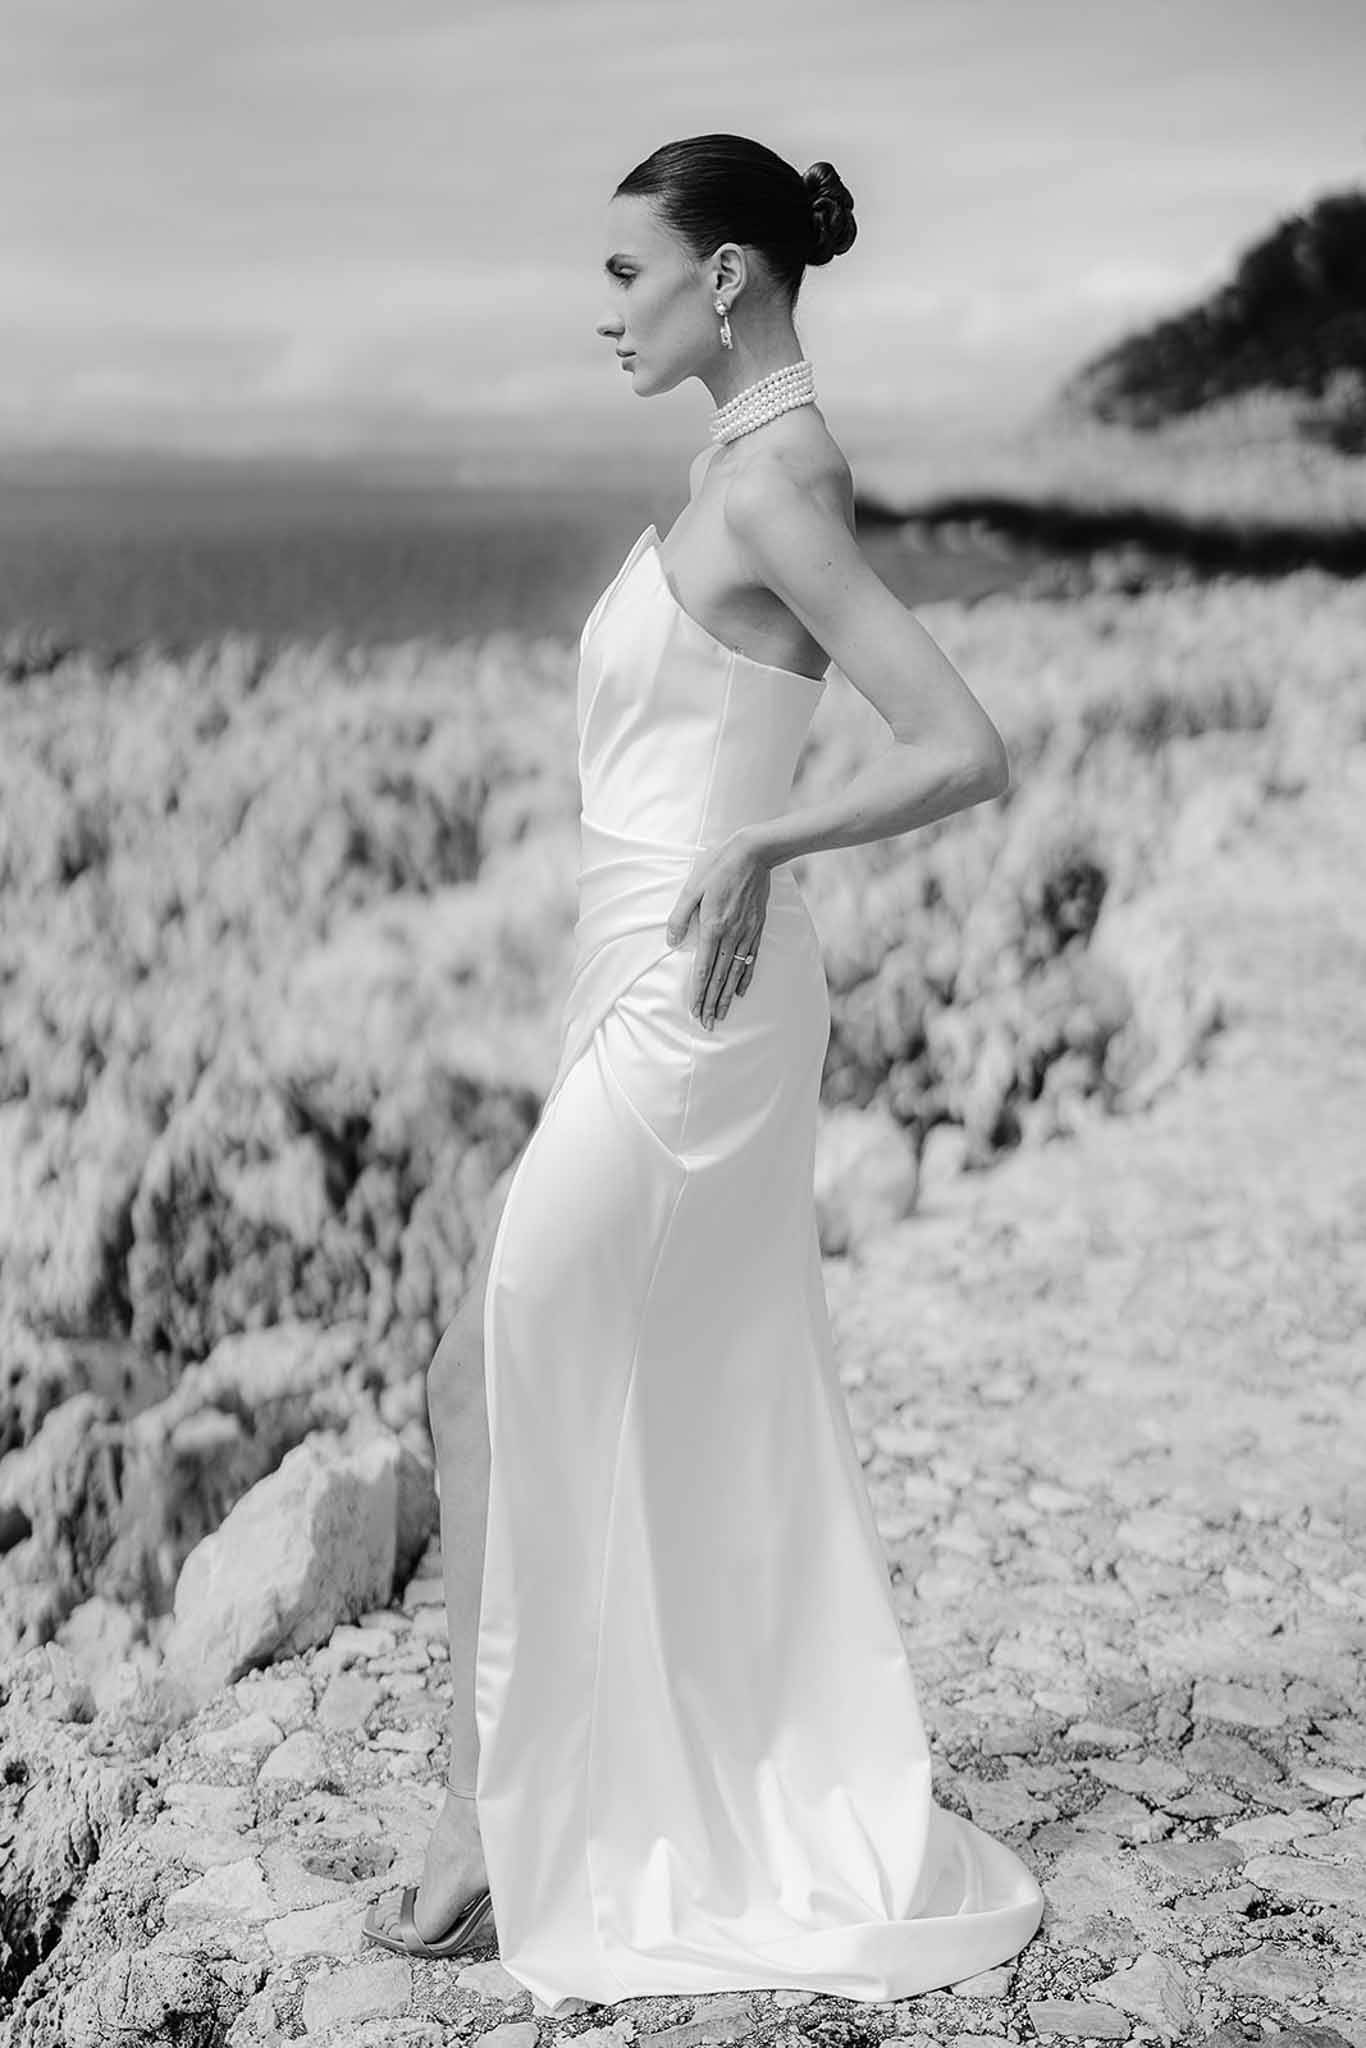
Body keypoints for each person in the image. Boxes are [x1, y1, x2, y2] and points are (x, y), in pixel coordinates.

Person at [364, 132, 1044, 2014]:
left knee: (489, 1353)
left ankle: (484, 1817)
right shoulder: (729, 466)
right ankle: (539, 1790)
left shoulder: (778, 481)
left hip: (704, 991)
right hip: (638, 970)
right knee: (535, 1362)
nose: (603, 309)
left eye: (624, 275)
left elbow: (958, 742)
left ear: (724, 278)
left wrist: (761, 847)